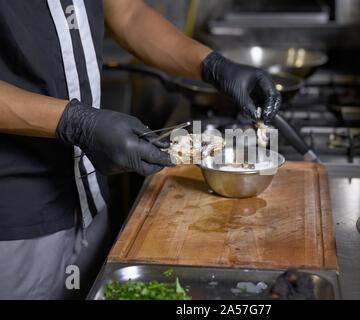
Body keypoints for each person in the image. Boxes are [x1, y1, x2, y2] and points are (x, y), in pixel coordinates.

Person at [0, 0, 281, 299]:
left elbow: (128, 14)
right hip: (15, 220)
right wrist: (75, 122)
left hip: (88, 198)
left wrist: (213, 66)